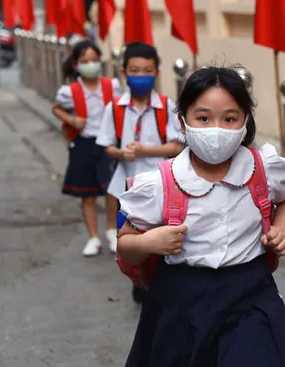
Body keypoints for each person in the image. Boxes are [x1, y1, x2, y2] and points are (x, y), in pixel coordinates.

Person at [117, 66, 285, 366]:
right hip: (180, 301)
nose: (216, 129)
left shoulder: (263, 169)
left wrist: (282, 230)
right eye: (203, 118)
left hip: (250, 294)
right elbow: (125, 243)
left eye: (229, 119)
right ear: (183, 121)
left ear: (245, 121)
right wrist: (150, 242)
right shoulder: (160, 183)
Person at [96, 42, 183, 304]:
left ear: (156, 72)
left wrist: (146, 150)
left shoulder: (167, 106)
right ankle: (139, 281)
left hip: (161, 184)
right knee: (133, 240)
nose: (141, 76)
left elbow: (177, 146)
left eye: (147, 70)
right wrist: (120, 153)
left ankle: (159, 285)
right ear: (124, 72)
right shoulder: (115, 108)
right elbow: (107, 146)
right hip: (126, 185)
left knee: (161, 237)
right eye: (135, 70)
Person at [52, 39, 123, 257]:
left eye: (94, 60)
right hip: (83, 144)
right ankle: (93, 237)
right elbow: (56, 109)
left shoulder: (112, 86)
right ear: (76, 65)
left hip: (107, 144)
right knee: (88, 194)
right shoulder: (69, 91)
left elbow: (121, 108)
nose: (90, 64)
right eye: (85, 61)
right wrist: (72, 121)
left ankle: (111, 230)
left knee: (111, 190)